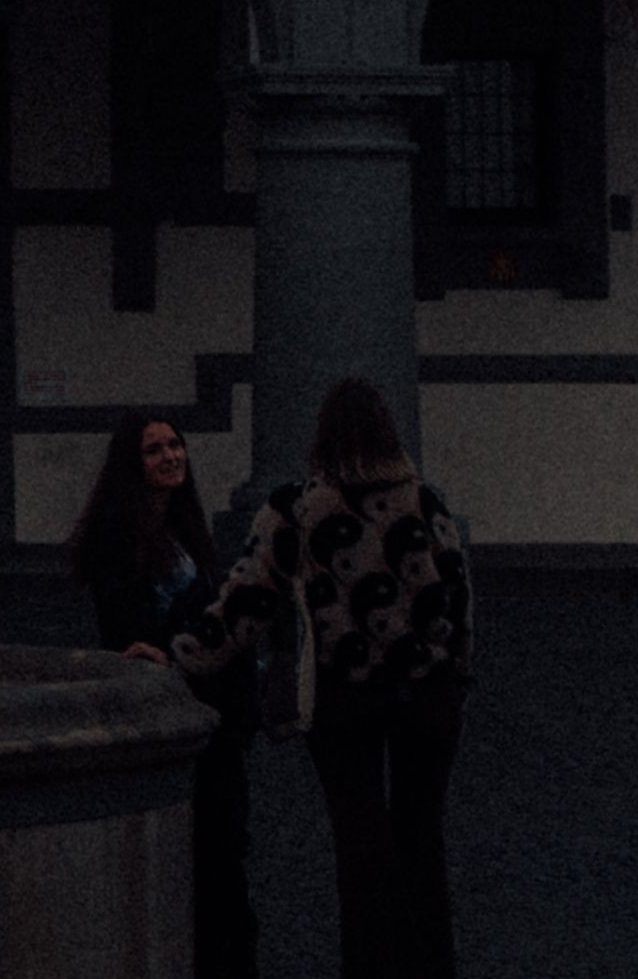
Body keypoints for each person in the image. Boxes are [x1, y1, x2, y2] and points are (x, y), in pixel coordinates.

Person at [175, 375, 473, 979]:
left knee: (359, 844)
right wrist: (455, 675)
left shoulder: (297, 507)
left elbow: (245, 602)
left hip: (345, 695)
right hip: (427, 694)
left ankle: (371, 968)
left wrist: (178, 654)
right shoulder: (427, 500)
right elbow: (460, 600)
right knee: (421, 837)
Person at [70, 410, 257, 979]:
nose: (171, 456)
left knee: (224, 856)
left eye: (175, 445)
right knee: (206, 859)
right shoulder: (117, 540)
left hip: (213, 709)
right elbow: (127, 630)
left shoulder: (183, 531)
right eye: (154, 450)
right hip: (181, 711)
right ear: (133, 464)